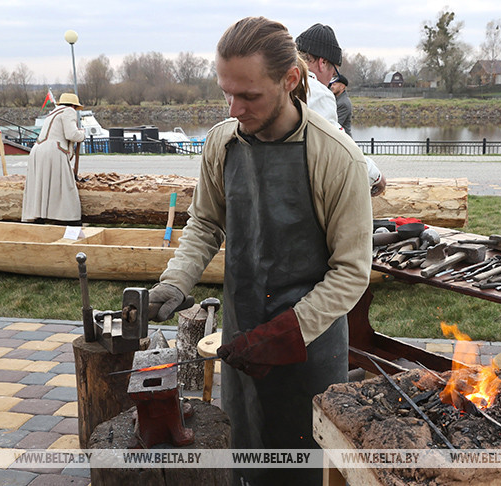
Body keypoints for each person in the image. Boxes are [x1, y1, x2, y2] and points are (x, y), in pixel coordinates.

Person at [147, 16, 372, 485]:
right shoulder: (221, 144)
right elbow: (205, 222)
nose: (235, 107)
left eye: (249, 95)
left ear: (291, 80)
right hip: (244, 336)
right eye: (226, 92)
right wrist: (175, 280)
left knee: (304, 470)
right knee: (246, 458)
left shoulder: (336, 157)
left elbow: (351, 272)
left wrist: (288, 332)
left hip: (309, 348)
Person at [296, 23, 387, 197]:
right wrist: (375, 176)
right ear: (322, 63)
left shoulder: (277, 82)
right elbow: (339, 150)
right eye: (334, 71)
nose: (331, 78)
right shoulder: (316, 91)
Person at [21, 92, 85, 225]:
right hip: (53, 151)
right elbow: (72, 134)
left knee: (40, 184)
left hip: (38, 150)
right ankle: (69, 219)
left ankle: (38, 216)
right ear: (73, 105)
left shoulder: (53, 112)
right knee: (64, 186)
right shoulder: (68, 111)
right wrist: (82, 134)